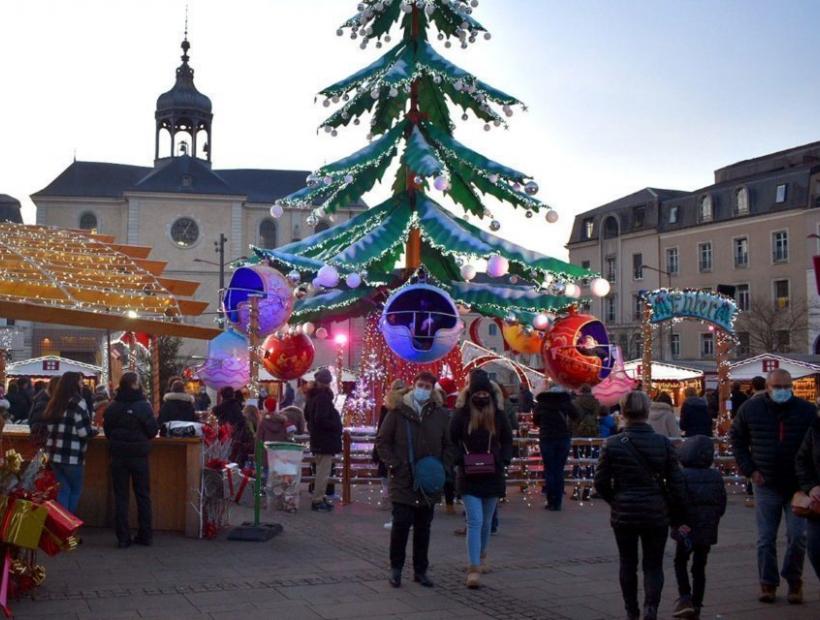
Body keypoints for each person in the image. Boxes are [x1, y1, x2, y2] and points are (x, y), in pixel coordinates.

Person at [594, 390, 686, 620]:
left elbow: (601, 482)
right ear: (647, 412)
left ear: (623, 412)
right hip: (655, 510)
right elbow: (676, 482)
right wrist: (677, 513)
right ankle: (651, 608)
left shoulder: (613, 443)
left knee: (627, 563)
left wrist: (615, 500)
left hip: (624, 511)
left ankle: (631, 611)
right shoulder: (662, 443)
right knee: (653, 565)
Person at [729, 368, 815, 604]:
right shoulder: (751, 409)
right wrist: (750, 469)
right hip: (765, 482)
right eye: (778, 387)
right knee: (766, 538)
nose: (783, 391)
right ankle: (767, 583)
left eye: (787, 386)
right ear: (768, 388)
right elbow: (736, 438)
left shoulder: (807, 411)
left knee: (797, 537)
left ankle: (794, 581)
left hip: (798, 486)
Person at [376, 371, 452, 589]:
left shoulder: (439, 414)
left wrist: (442, 466)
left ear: (433, 389)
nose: (423, 389)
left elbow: (449, 444)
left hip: (428, 480)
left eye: (428, 386)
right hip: (403, 479)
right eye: (420, 385)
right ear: (413, 385)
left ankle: (421, 570)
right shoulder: (398, 412)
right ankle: (396, 569)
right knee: (400, 526)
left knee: (423, 528)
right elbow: (383, 442)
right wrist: (395, 465)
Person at [450, 372, 513, 588]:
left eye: (485, 392)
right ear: (471, 393)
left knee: (486, 521)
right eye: (478, 392)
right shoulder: (461, 415)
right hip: (468, 475)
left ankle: (483, 555)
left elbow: (507, 441)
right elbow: (451, 440)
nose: (482, 396)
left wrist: (503, 459)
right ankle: (473, 567)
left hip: (492, 473)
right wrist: (460, 458)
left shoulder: (499, 415)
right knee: (474, 521)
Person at [672, 435, 727, 618]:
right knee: (700, 567)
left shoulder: (681, 476)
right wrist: (713, 518)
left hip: (686, 528)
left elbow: (676, 502)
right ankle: (696, 604)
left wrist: (677, 523)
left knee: (680, 561)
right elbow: (721, 504)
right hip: (707, 528)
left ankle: (685, 596)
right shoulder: (716, 476)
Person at [103, 372, 159, 548]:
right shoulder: (144, 406)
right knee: (143, 495)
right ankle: (145, 534)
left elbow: (107, 431)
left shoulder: (113, 406)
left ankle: (123, 537)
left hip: (118, 455)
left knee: (121, 496)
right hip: (139, 455)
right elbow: (152, 431)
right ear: (136, 384)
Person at [44, 372, 95, 514]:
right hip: (72, 454)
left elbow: (48, 427)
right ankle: (69, 525)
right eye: (80, 382)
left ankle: (61, 527)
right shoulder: (79, 402)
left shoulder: (54, 401)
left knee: (63, 490)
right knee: (75, 490)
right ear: (74, 384)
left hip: (54, 453)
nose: (82, 385)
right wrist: (93, 431)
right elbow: (83, 432)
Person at [533, 385, 578, 511]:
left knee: (549, 469)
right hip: (563, 438)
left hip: (546, 438)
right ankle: (558, 501)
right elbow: (576, 415)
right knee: (559, 469)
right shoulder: (565, 402)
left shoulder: (542, 403)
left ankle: (550, 500)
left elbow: (535, 420)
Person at [304, 368, 343, 513]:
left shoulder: (312, 398)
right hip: (324, 440)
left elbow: (308, 416)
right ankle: (318, 499)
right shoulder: (323, 398)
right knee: (323, 472)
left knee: (321, 470)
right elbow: (320, 419)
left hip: (317, 438)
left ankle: (319, 496)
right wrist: (335, 425)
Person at [374, 380, 408, 515]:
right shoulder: (398, 408)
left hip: (389, 447)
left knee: (387, 474)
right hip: (396, 446)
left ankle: (387, 498)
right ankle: (391, 499)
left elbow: (380, 432)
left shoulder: (387, 407)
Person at [795, 413, 820, 581]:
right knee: (815, 549)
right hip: (818, 502)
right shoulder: (816, 428)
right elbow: (802, 459)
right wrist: (812, 486)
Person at [29, 376, 60, 447]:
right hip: (44, 442)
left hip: (45, 441)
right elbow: (36, 423)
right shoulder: (45, 402)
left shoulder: (43, 398)